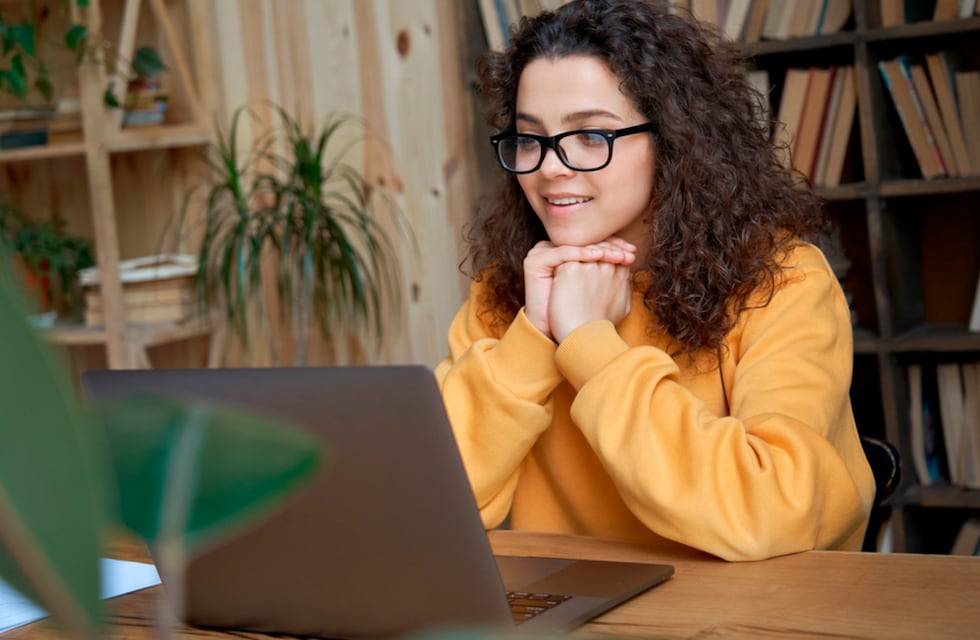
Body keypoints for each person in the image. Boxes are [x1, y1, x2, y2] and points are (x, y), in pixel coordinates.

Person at [434, 0, 875, 561]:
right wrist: (534, 339)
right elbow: (429, 506)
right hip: (572, 615)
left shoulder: (784, 282)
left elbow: (770, 511)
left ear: (673, 140)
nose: (550, 168)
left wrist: (588, 342)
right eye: (529, 138)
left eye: (591, 136)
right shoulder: (508, 293)